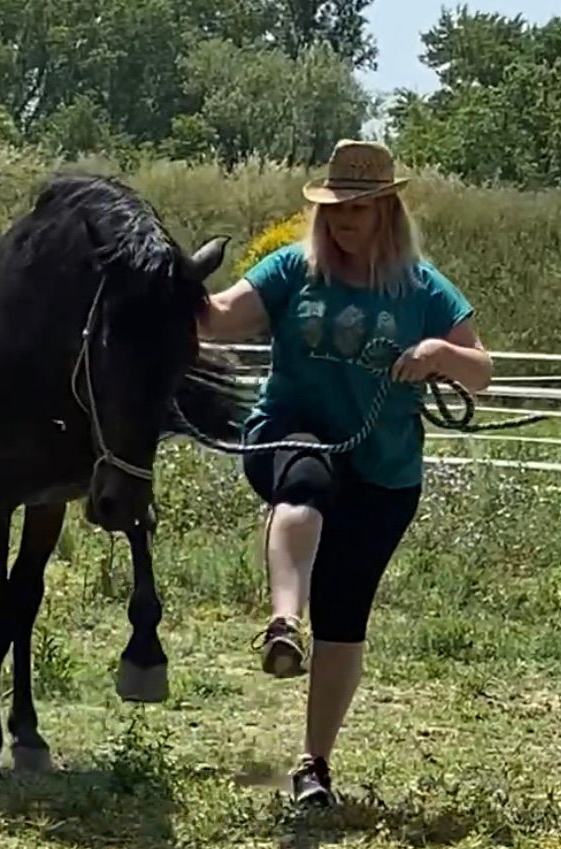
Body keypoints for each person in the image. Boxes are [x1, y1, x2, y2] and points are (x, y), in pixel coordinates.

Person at [197, 139, 492, 807]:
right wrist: (166, 286)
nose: (344, 220)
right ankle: (281, 623)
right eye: (334, 208)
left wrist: (439, 350)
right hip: (290, 431)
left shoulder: (423, 288)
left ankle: (313, 764)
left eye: (358, 207)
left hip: (383, 470)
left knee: (346, 617)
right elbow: (215, 321)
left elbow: (482, 372)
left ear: (387, 208)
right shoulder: (292, 271)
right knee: (306, 479)